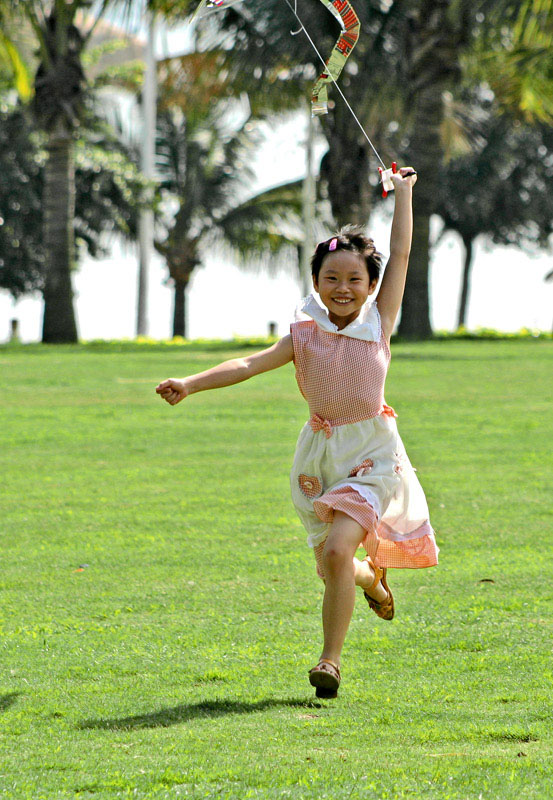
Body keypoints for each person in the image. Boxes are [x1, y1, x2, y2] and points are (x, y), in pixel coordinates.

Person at [156, 166, 438, 699]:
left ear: (371, 287)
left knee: (336, 550)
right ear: (316, 283)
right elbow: (246, 365)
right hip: (319, 456)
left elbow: (400, 253)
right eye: (332, 278)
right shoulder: (302, 334)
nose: (343, 288)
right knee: (333, 561)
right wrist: (190, 384)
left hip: (372, 454)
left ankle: (329, 663)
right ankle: (372, 581)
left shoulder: (379, 322)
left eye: (355, 279)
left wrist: (403, 195)